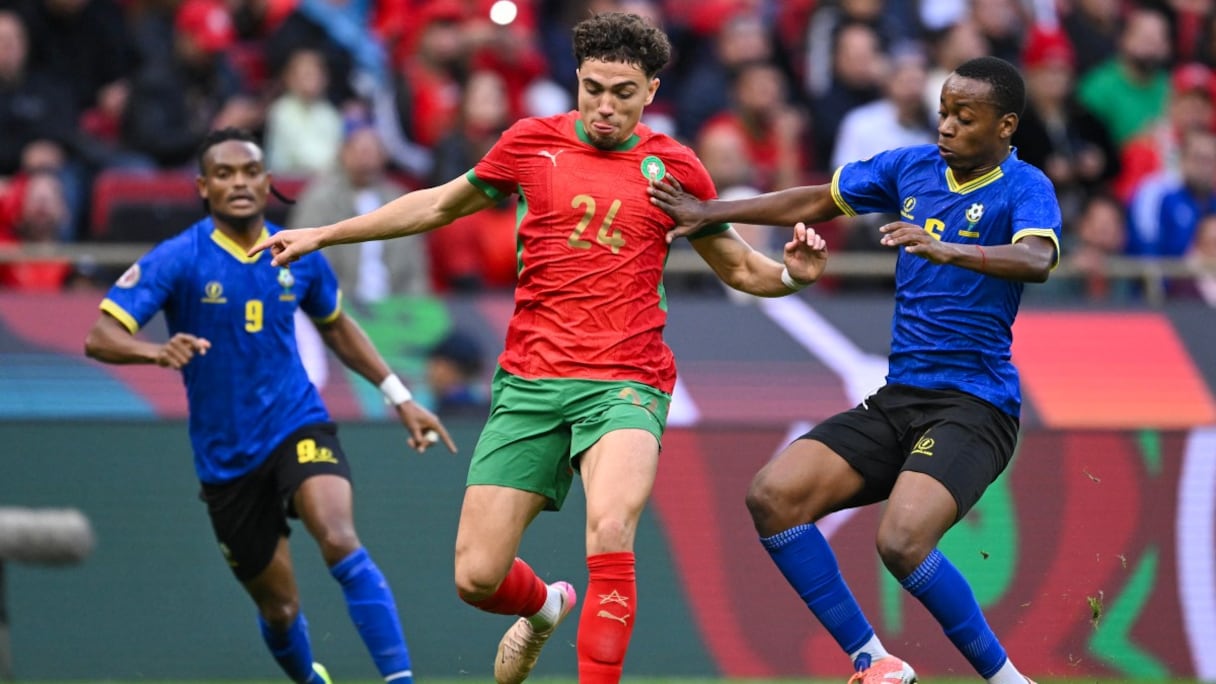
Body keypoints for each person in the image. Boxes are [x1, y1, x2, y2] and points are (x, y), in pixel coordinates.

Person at [247, 12, 829, 683]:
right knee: (477, 576)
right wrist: (326, 233)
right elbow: (437, 205)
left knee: (610, 533)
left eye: (622, 92)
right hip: (531, 381)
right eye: (592, 88)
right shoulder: (531, 143)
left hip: (627, 380)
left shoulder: (674, 168)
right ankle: (544, 607)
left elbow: (740, 268)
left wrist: (792, 276)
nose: (604, 106)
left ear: (651, 90)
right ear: (576, 79)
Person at [649, 55, 1059, 684]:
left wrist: (949, 249)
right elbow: (817, 199)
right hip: (901, 397)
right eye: (943, 112)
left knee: (902, 542)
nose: (946, 126)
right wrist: (711, 212)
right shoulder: (911, 167)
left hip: (975, 406)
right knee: (774, 496)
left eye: (964, 116)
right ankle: (875, 660)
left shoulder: (1025, 186)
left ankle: (1009, 682)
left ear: (1005, 125)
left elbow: (1036, 259)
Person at [83, 128, 455, 684]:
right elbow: (100, 336)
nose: (239, 182)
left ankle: (400, 680)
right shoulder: (178, 258)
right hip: (227, 456)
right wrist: (154, 351)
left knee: (339, 539)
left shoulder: (297, 251)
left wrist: (399, 396)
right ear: (203, 187)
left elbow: (337, 327)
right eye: (224, 173)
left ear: (267, 182)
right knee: (280, 610)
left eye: (249, 172)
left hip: (296, 421)